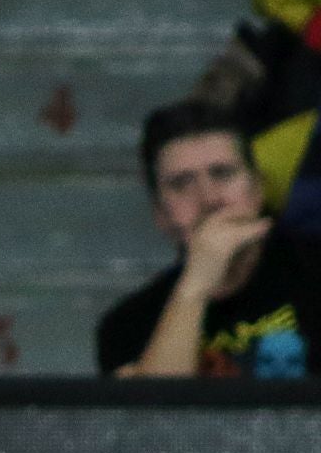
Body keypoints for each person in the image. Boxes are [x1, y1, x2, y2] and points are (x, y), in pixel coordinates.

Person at [98, 100, 321, 378]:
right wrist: (197, 284)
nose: (208, 199)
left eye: (223, 174)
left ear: (258, 190)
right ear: (161, 214)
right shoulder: (127, 324)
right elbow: (155, 417)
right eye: (181, 183)